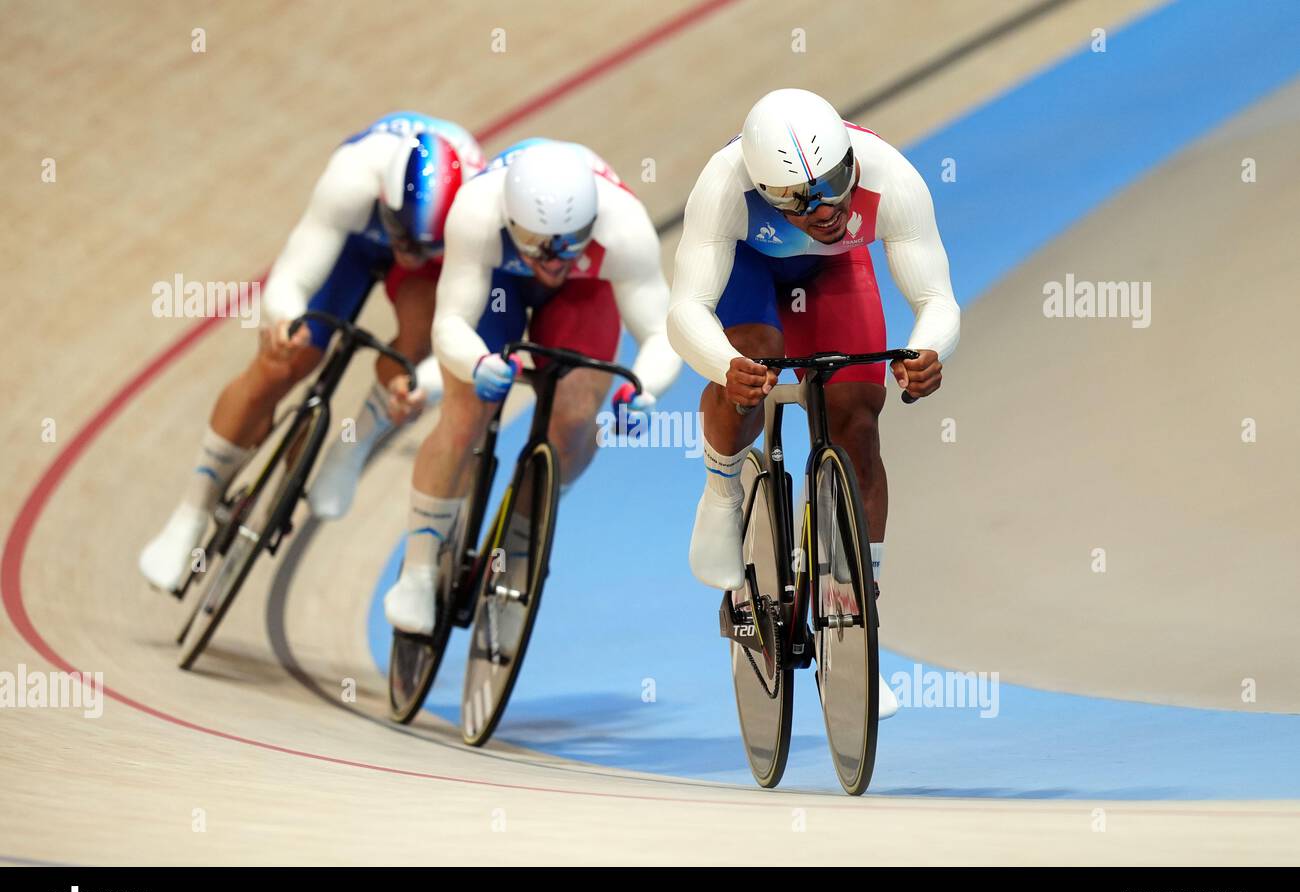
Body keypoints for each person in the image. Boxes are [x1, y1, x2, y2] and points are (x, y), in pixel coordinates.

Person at [666, 89, 961, 719]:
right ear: (762, 188)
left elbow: (937, 299)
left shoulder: (892, 178)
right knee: (753, 357)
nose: (824, 207)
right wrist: (725, 366)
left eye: (832, 184)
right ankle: (722, 494)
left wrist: (926, 350)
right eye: (797, 198)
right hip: (751, 270)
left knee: (858, 421)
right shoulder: (722, 187)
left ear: (850, 160)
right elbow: (685, 310)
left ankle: (857, 623)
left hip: (832, 275)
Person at [139, 112, 483, 592]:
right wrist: (283, 321)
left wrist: (419, 384)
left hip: (433, 260)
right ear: (383, 201)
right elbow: (293, 276)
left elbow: (463, 329)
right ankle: (191, 511)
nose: (407, 251)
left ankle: (353, 446)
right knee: (285, 361)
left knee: (417, 334)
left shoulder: (473, 217)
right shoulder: (352, 178)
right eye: (401, 239)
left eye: (421, 245)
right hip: (356, 241)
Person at [382, 138, 681, 637]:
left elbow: (659, 334)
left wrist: (643, 390)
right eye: (540, 242)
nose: (555, 257)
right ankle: (417, 571)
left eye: (570, 240)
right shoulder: (477, 212)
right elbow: (450, 324)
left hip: (585, 293)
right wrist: (476, 362)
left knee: (576, 416)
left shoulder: (624, 227)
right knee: (466, 414)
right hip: (499, 282)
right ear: (511, 219)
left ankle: (528, 524)